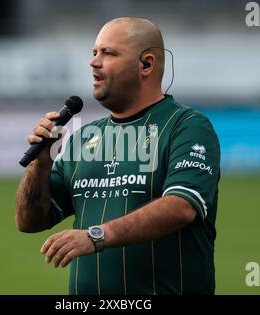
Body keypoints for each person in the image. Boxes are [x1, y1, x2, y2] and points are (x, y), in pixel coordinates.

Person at [15, 17, 220, 295]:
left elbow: (181, 206)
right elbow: (30, 221)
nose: (94, 62)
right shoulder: (84, 138)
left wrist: (96, 236)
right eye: (94, 53)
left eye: (109, 53)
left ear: (146, 64)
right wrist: (41, 163)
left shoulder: (186, 126)